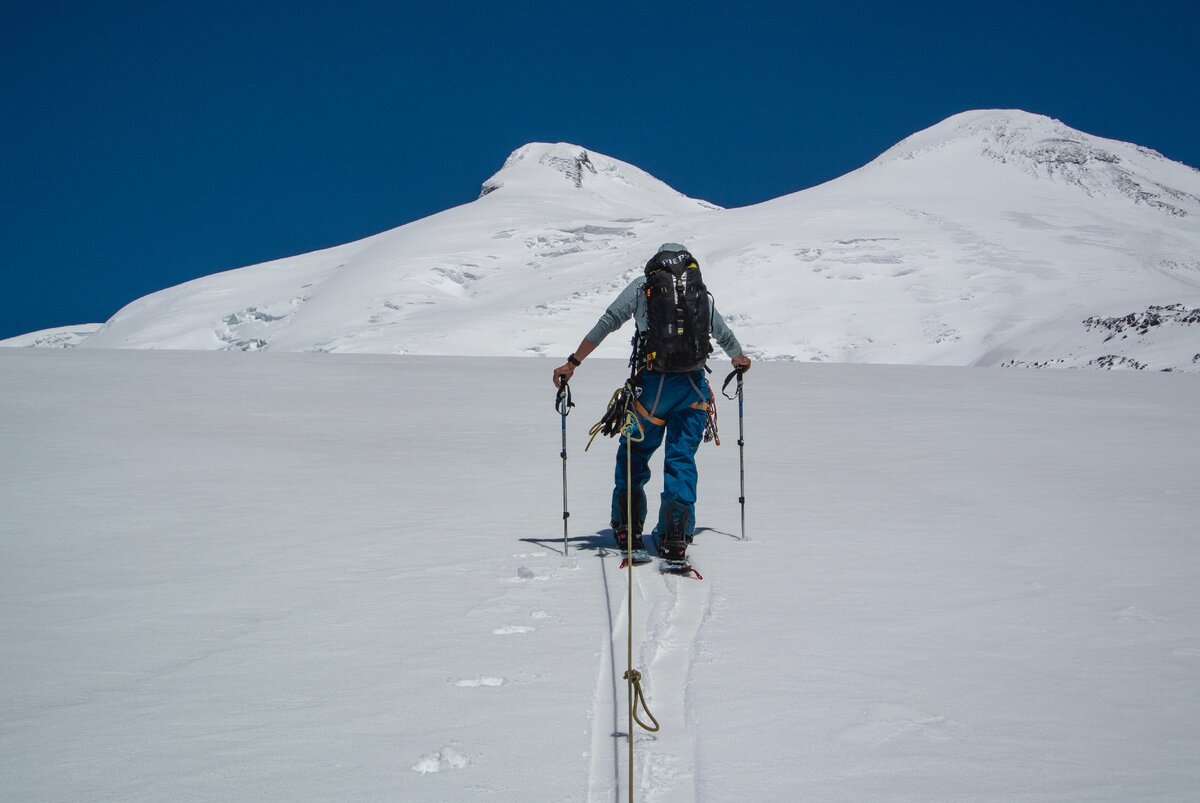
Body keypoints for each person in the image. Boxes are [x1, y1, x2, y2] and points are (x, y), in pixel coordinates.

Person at [552, 243, 751, 562]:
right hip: (694, 389)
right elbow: (722, 333)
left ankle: (628, 527)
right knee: (681, 458)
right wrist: (738, 358)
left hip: (652, 388)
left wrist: (573, 362)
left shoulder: (644, 287)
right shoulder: (698, 292)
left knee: (634, 453)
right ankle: (676, 534)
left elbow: (609, 320)